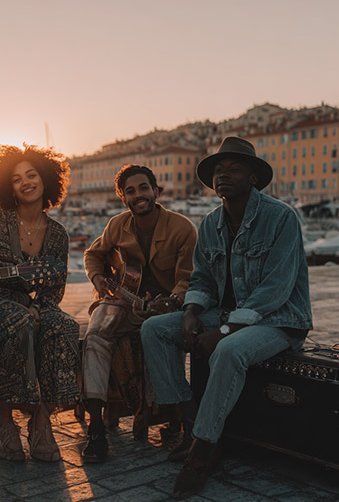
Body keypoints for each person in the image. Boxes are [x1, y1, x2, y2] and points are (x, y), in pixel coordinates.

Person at [140, 136, 312, 499]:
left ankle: (203, 449)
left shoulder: (281, 218)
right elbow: (202, 278)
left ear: (253, 178)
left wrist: (225, 329)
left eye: (234, 170)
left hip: (279, 320)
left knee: (229, 350)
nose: (224, 175)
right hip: (225, 314)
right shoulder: (210, 223)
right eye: (219, 170)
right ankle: (190, 420)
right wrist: (191, 312)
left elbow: (276, 289)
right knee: (155, 329)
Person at [0, 143, 80, 462]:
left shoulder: (59, 235)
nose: (25, 182)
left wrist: (38, 307)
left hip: (29, 308)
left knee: (64, 325)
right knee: (19, 322)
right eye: (16, 179)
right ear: (7, 187)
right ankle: (3, 419)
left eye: (31, 174)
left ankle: (42, 420)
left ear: (45, 179)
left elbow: (54, 289)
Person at [80, 165, 197, 462]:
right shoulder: (117, 225)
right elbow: (93, 254)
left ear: (156, 191)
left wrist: (172, 301)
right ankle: (96, 426)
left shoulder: (182, 228)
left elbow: (187, 279)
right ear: (123, 198)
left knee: (155, 334)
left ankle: (171, 413)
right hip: (122, 299)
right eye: (130, 191)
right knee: (95, 336)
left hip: (161, 307)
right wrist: (98, 279)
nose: (138, 195)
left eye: (143, 188)